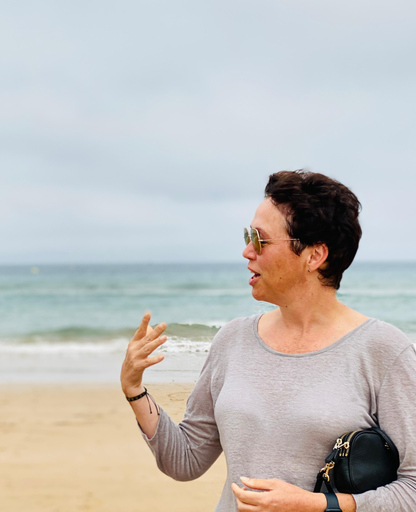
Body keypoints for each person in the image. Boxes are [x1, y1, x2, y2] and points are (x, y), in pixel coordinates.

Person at [120, 170, 416, 511]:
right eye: (248, 236)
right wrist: (134, 388)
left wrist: (320, 504)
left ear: (314, 256)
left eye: (260, 239)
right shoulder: (232, 340)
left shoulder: (383, 349)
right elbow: (185, 461)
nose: (247, 251)